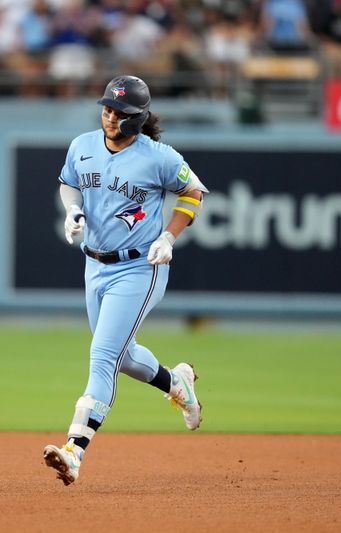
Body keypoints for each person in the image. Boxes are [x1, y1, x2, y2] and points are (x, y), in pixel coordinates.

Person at [43, 75, 208, 486]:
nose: (110, 116)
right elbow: (68, 184)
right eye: (107, 108)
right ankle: (178, 383)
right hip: (94, 265)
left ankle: (74, 451)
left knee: (102, 356)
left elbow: (193, 192)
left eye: (120, 112)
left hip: (140, 268)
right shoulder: (82, 145)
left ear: (139, 118)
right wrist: (72, 210)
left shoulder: (160, 157)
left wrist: (170, 235)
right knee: (124, 356)